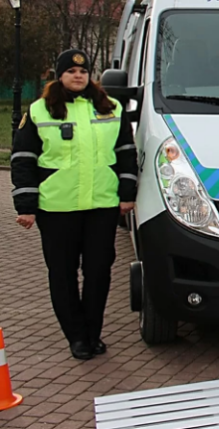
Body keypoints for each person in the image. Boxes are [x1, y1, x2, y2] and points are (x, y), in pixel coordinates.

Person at [10, 49, 138, 359]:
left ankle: (93, 333)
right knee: (63, 274)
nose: (78, 76)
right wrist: (25, 205)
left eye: (83, 71)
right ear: (59, 75)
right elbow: (23, 158)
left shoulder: (111, 108)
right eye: (71, 71)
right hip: (56, 207)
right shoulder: (40, 110)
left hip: (102, 205)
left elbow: (126, 152)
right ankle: (77, 337)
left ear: (90, 75)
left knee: (98, 271)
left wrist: (127, 193)